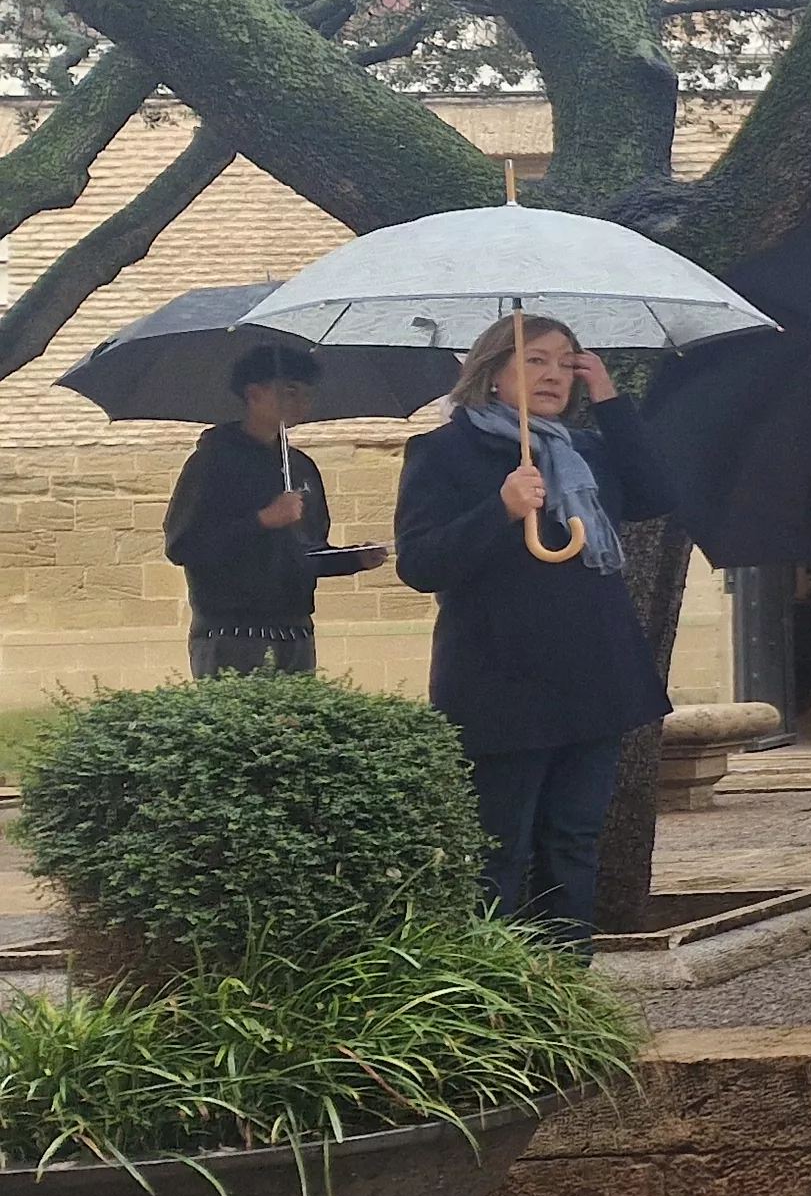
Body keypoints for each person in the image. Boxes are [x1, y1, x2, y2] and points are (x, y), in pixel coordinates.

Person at [393, 316, 676, 949]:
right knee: (501, 849)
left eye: (565, 362)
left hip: (591, 676)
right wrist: (500, 509)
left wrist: (611, 399)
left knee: (573, 840)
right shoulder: (444, 452)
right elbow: (419, 562)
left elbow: (655, 495)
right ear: (493, 374)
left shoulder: (584, 449)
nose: (554, 375)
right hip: (502, 683)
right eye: (536, 361)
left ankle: (565, 988)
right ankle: (499, 997)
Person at [166, 344, 381, 676]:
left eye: (307, 394)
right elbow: (184, 546)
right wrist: (262, 520)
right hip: (232, 633)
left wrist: (354, 559)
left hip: (295, 632)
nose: (302, 403)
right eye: (289, 392)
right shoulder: (211, 463)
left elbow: (306, 553)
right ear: (253, 394)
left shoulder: (301, 467)